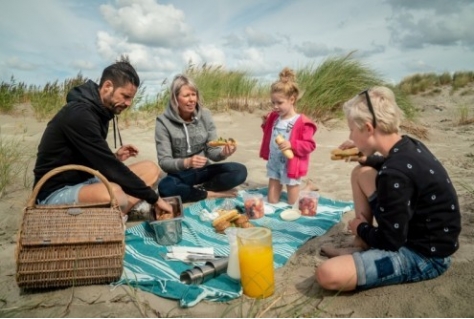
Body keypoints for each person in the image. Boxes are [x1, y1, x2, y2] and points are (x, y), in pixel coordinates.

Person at [315, 86, 461, 291]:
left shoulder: (393, 174)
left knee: (328, 274)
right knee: (361, 172)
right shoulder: (408, 145)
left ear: (368, 128)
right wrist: (364, 157)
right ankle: (361, 244)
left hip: (426, 255)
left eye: (352, 130)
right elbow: (386, 162)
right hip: (420, 234)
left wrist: (360, 227)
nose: (350, 136)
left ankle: (362, 244)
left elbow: (390, 241)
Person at [33, 59, 172, 222]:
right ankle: (115, 215)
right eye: (125, 96)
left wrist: (114, 157)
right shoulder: (79, 115)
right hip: (55, 191)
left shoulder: (102, 112)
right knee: (116, 195)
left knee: (150, 169)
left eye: (131, 98)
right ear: (107, 87)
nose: (128, 103)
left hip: (85, 180)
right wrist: (155, 199)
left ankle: (117, 214)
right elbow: (110, 169)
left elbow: (96, 160)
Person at [155, 74, 248, 203]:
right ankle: (211, 194)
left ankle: (201, 190)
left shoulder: (205, 115)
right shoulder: (163, 122)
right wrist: (187, 162)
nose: (192, 99)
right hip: (181, 174)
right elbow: (164, 162)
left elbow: (211, 150)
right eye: (186, 95)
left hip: (204, 170)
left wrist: (223, 153)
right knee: (165, 187)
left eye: (193, 94)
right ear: (175, 98)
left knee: (240, 171)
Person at [259, 67, 317, 205]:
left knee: (294, 203)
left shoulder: (302, 122)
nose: (275, 106)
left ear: (292, 99)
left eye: (279, 103)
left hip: (290, 165)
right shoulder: (274, 117)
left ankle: (308, 187)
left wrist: (292, 144)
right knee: (272, 201)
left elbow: (310, 145)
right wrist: (265, 123)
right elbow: (270, 135)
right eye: (273, 102)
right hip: (274, 163)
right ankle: (298, 188)